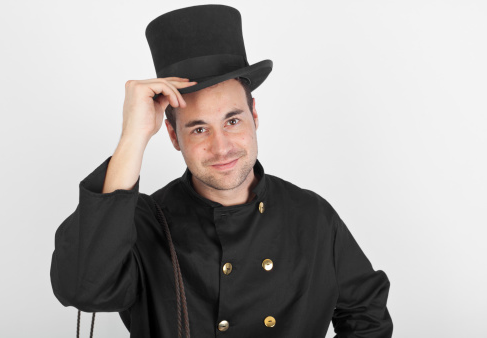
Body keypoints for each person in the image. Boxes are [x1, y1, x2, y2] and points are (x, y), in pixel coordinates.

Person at [50, 4, 393, 338]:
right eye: (198, 129)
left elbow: (367, 315)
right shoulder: (145, 223)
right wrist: (133, 137)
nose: (221, 147)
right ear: (173, 136)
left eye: (232, 120)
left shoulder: (311, 215)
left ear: (254, 115)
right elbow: (84, 290)